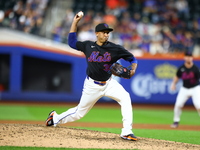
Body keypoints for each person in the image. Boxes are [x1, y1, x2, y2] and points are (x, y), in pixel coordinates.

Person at [45, 11, 138, 141]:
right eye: (104, 32)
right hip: (92, 85)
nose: (106, 34)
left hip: (109, 83)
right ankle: (54, 118)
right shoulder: (88, 46)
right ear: (97, 33)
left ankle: (126, 131)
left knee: (126, 98)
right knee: (79, 113)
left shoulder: (115, 48)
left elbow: (133, 59)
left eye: (108, 32)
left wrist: (133, 69)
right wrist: (75, 22)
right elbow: (72, 42)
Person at [170, 51, 200, 128]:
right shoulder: (181, 68)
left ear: (192, 58)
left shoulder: (196, 68)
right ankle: (176, 121)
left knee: (199, 106)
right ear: (184, 57)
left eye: (190, 56)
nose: (188, 58)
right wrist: (173, 84)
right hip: (184, 88)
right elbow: (177, 76)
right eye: (187, 56)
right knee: (178, 105)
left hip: (195, 88)